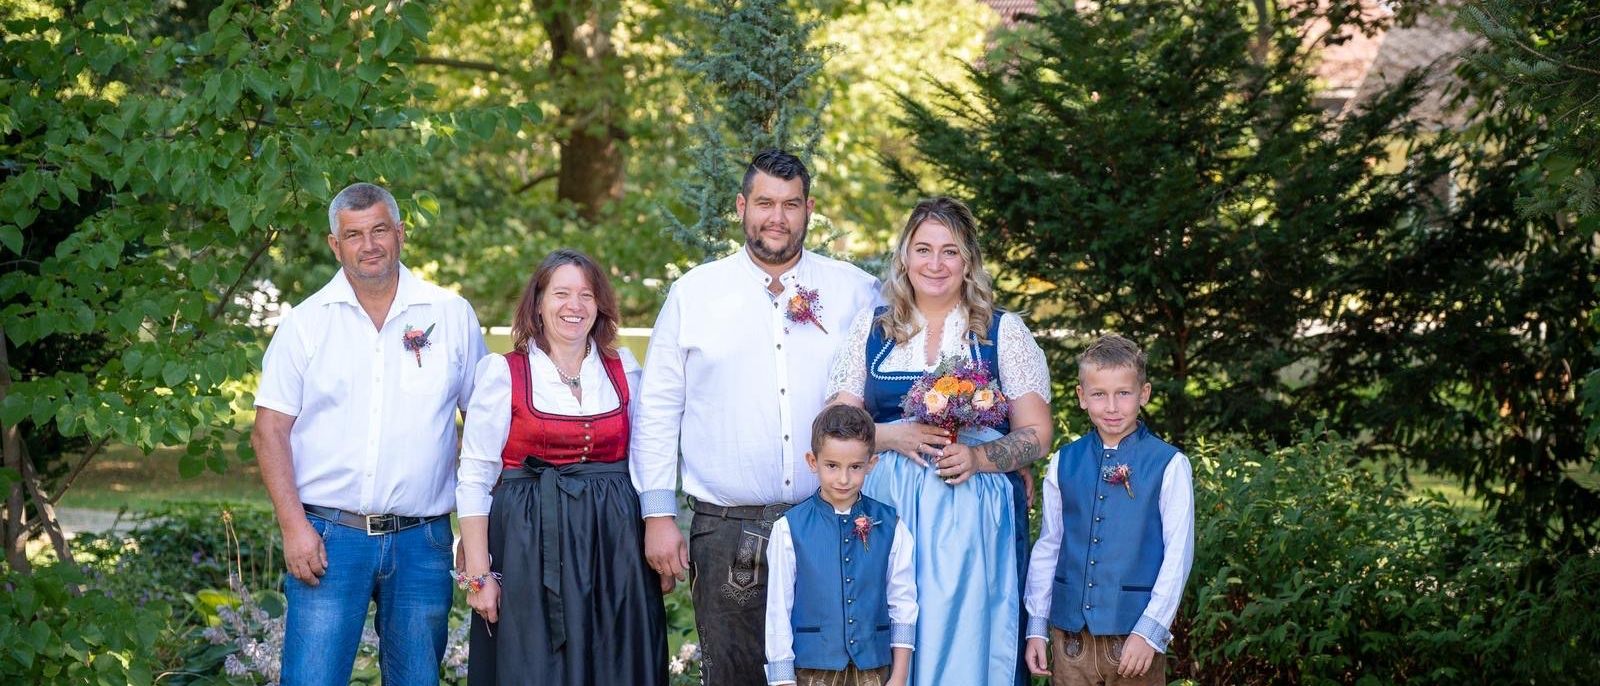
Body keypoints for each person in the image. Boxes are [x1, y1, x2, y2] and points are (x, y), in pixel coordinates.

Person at [631, 149, 881, 685]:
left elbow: (891, 390)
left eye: (791, 204)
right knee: (734, 676)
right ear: (742, 206)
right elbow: (656, 411)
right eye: (765, 202)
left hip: (831, 519)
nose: (778, 217)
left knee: (833, 673)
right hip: (727, 530)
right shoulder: (695, 294)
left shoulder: (856, 292)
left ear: (809, 209)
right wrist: (657, 513)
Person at [253, 182, 488, 685]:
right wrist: (294, 527)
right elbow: (269, 431)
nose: (370, 245)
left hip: (422, 542)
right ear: (335, 245)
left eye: (379, 229)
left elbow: (485, 428)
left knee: (416, 680)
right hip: (328, 538)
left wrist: (474, 529)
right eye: (354, 234)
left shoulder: (450, 316)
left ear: (400, 234)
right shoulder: (305, 324)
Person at [825, 196, 1054, 686]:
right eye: (923, 249)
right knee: (892, 629)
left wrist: (979, 455)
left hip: (974, 520)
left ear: (968, 260)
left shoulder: (999, 331)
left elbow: (1037, 432)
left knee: (970, 638)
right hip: (889, 510)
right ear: (904, 256)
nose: (935, 263)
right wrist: (889, 435)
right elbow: (833, 426)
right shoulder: (873, 329)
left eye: (949, 251)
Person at [454, 249, 667, 685]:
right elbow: (474, 478)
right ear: (538, 302)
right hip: (529, 547)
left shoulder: (623, 368)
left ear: (599, 305)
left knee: (616, 663)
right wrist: (479, 575)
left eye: (586, 295)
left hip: (615, 548)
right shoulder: (502, 372)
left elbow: (649, 455)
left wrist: (656, 533)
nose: (575, 306)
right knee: (535, 666)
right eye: (562, 293)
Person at [1023, 334, 1195, 686]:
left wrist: (1150, 631)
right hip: (1070, 639)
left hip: (1133, 639)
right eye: (1099, 394)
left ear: (1144, 394)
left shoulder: (1169, 464)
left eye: (1124, 393)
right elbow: (1049, 546)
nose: (1112, 407)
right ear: (1082, 397)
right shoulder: (1063, 462)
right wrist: (1036, 625)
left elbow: (1178, 555)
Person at [764, 405, 917, 686]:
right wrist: (782, 679)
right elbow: (778, 610)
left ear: (871, 464)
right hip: (812, 670)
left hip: (874, 668)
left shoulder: (891, 526)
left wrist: (899, 675)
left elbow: (903, 602)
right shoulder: (788, 529)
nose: (844, 479)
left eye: (855, 467)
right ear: (813, 461)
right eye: (832, 466)